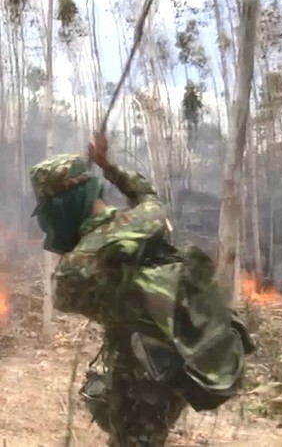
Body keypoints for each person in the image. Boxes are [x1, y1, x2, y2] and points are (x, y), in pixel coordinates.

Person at [29, 133, 254, 446]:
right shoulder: (146, 218)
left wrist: (79, 248)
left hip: (141, 381)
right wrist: (108, 166)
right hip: (182, 358)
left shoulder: (76, 268)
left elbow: (65, 296)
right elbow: (147, 194)